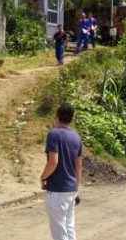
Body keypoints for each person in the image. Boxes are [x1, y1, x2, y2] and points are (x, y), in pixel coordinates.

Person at [41, 103, 83, 240]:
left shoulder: (54, 134)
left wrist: (42, 177)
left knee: (59, 230)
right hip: (71, 189)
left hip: (58, 190)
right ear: (72, 118)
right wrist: (76, 188)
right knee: (69, 226)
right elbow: (79, 166)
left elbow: (53, 162)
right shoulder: (76, 137)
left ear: (57, 116)